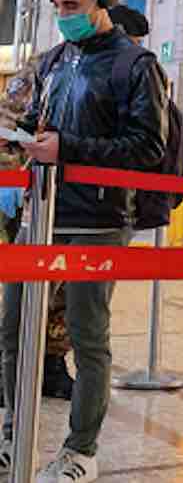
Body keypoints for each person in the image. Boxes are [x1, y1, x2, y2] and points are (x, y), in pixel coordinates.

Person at [1, 0, 168, 483]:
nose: (63, 14)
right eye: (55, 5)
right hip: (40, 214)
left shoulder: (134, 66)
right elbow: (37, 122)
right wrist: (20, 134)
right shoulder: (55, 60)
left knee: (86, 336)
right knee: (12, 330)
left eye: (71, 4)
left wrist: (68, 148)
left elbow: (148, 149)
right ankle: (12, 432)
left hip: (96, 220)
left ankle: (80, 449)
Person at [0, 59, 74, 403]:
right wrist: (8, 174)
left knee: (61, 289)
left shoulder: (111, 68)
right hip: (20, 193)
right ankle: (6, 369)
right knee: (15, 286)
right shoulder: (45, 67)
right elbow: (5, 126)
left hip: (67, 198)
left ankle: (52, 363)